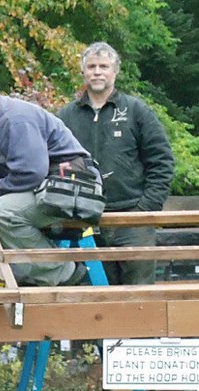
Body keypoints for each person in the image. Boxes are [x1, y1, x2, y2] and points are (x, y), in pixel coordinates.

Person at [0, 61, 98, 287]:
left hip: (76, 185)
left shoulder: (15, 117)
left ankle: (65, 273)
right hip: (46, 188)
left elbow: (32, 173)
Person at [57, 42, 175, 284]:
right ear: (83, 72)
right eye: (91, 66)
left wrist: (145, 209)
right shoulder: (66, 116)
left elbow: (162, 162)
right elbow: (52, 162)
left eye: (103, 66)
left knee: (141, 297)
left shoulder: (136, 111)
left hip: (134, 221)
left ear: (115, 71)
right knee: (97, 298)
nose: (97, 72)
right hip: (86, 222)